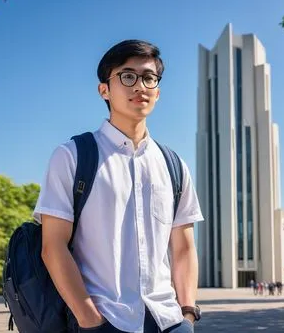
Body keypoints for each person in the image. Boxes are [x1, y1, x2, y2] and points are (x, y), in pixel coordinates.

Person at [33, 40, 204, 332]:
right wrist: (89, 318)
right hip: (104, 319)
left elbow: (184, 248)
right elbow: (53, 245)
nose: (140, 86)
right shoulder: (73, 155)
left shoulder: (174, 165)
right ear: (104, 90)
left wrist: (187, 314)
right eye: (128, 76)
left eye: (149, 78)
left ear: (158, 92)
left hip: (169, 320)